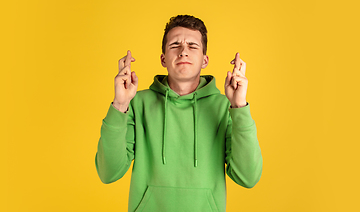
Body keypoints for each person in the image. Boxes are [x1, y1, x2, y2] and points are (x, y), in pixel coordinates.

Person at [95, 15, 263, 212]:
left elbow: (248, 177)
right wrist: (120, 104)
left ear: (205, 60)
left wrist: (240, 107)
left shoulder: (226, 107)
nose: (184, 52)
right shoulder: (136, 104)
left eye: (193, 46)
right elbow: (108, 173)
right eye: (175, 45)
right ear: (163, 59)